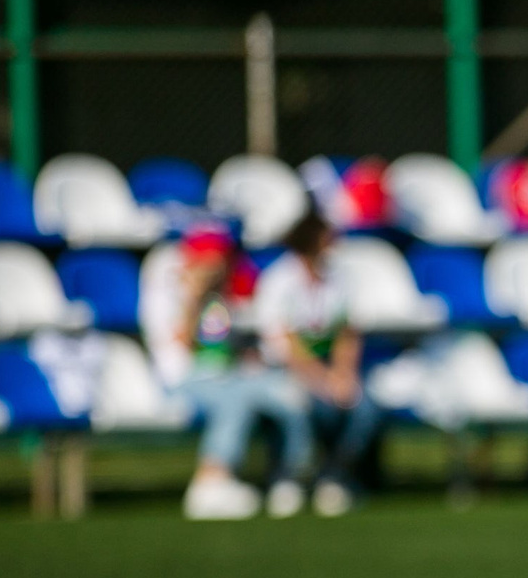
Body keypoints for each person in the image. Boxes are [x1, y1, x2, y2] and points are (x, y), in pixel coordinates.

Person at [157, 230, 314, 522]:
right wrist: (195, 296)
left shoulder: (236, 287)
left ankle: (289, 475)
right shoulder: (169, 291)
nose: (216, 267)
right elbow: (179, 346)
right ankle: (210, 481)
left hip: (234, 374)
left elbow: (248, 337)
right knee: (235, 400)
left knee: (290, 394)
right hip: (189, 378)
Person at [251, 212, 373, 517]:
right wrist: (322, 378)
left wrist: (343, 374)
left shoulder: (340, 278)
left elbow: (348, 332)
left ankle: (333, 476)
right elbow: (286, 343)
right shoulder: (279, 280)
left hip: (328, 367)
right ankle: (289, 477)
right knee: (297, 405)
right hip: (284, 368)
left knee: (365, 408)